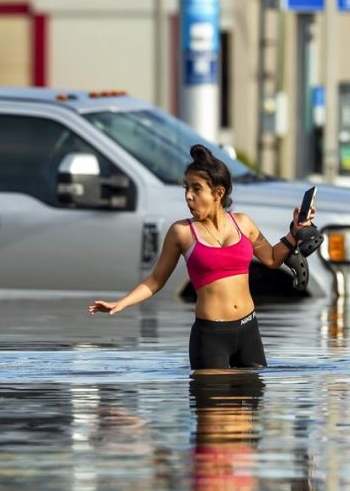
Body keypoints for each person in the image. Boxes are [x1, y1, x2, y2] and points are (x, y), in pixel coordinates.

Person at [88, 144, 315, 370]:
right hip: (211, 337)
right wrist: (121, 303)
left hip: (249, 331)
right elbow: (155, 280)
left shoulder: (243, 223)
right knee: (213, 403)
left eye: (196, 189)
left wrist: (295, 231)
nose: (188, 196)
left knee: (251, 403)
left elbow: (273, 259)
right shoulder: (182, 232)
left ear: (218, 193)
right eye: (186, 188)